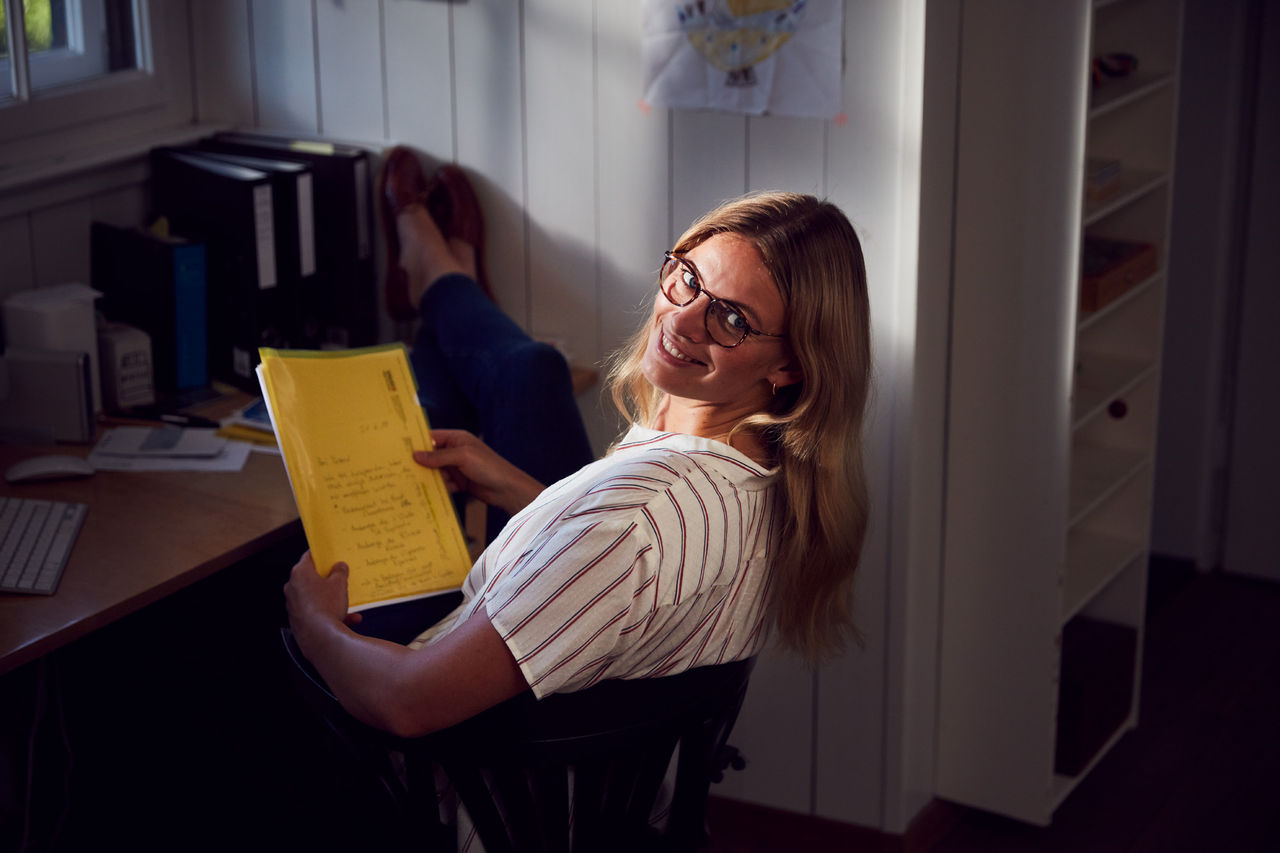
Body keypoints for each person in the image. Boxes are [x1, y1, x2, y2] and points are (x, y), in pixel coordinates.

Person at [284, 154, 872, 744]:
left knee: (274, 574)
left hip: (453, 765)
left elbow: (405, 703)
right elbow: (625, 568)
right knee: (529, 372)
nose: (682, 320)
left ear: (790, 365)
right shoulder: (763, 480)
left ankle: (437, 275)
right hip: (553, 732)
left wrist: (313, 622)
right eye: (690, 279)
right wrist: (527, 495)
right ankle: (441, 278)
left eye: (732, 320)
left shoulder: (627, 524)